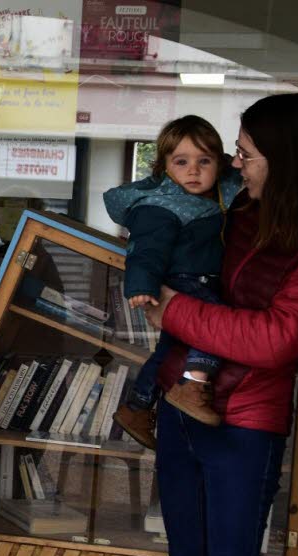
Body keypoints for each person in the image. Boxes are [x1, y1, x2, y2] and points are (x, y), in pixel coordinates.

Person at [143, 93, 298, 556]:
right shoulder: (236, 213)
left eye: (245, 153)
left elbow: (275, 340)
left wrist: (175, 309)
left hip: (244, 425)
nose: (234, 163)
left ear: (286, 161)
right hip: (181, 406)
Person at [105, 115, 244, 448]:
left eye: (204, 161)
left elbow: (236, 176)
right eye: (181, 162)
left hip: (201, 278)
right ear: (164, 167)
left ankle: (137, 406)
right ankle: (194, 385)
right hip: (186, 282)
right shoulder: (162, 206)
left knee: (168, 350)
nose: (193, 170)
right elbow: (145, 249)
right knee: (214, 322)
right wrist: (140, 285)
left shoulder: (214, 196)